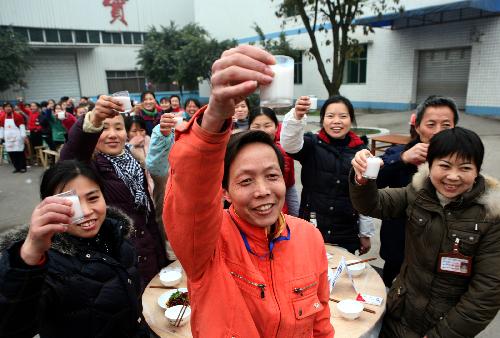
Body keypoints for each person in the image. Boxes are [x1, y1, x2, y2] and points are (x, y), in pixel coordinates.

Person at [164, 45, 333, 337]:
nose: (263, 191)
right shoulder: (207, 246)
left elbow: (320, 323)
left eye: (272, 176)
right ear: (224, 191)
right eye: (245, 181)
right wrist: (216, 114)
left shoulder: (309, 237)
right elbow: (191, 191)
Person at [350, 127, 500, 338]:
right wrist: (362, 179)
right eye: (444, 166)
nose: (453, 176)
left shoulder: (491, 215)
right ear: (430, 165)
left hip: (444, 327)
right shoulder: (419, 192)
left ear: (477, 171)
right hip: (399, 313)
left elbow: (486, 294)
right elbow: (373, 204)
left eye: (465, 168)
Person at [0, 160, 147, 337]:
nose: (85, 211)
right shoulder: (43, 261)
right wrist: (29, 255)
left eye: (93, 198)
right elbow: (11, 326)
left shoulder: (118, 235)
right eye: (71, 204)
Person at [59, 100, 167, 284]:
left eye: (118, 128)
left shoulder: (134, 162)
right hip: (118, 262)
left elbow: (146, 217)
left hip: (148, 254)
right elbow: (70, 159)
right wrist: (92, 120)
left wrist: (160, 258)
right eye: (104, 128)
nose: (112, 135)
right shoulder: (91, 167)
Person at [374, 95, 459, 286]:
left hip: (441, 253)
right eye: (431, 124)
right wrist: (402, 159)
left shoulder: (462, 162)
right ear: (417, 126)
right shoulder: (398, 154)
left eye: (446, 125)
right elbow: (371, 185)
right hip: (399, 247)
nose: (438, 132)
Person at [280, 95, 374, 254]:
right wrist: (296, 117)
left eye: (343, 116)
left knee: (342, 276)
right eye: (330, 116)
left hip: (346, 232)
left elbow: (364, 195)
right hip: (313, 227)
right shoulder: (312, 144)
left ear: (351, 119)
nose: (336, 121)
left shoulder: (360, 151)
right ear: (322, 120)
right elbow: (290, 145)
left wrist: (365, 233)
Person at [249, 107, 299, 216]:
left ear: (276, 127)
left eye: (267, 125)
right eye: (256, 126)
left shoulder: (285, 153)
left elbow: (289, 188)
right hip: (250, 214)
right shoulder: (240, 154)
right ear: (249, 128)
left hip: (279, 215)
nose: (262, 130)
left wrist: (295, 216)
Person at [0, 102, 27, 173]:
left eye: (9, 106)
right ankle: (17, 167)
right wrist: (1, 136)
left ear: (12, 108)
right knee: (11, 153)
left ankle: (23, 167)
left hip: (17, 138)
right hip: (8, 138)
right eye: (6, 107)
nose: (8, 108)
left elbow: (22, 126)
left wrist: (23, 136)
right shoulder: (2, 117)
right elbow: (1, 127)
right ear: (4, 108)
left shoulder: (17, 116)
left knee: (19, 152)